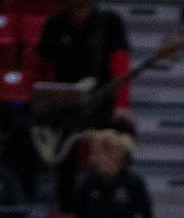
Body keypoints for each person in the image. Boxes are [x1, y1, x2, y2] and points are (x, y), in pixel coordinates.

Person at [37, 0, 133, 205]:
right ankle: (67, 210)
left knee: (119, 135)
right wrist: (44, 104)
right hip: (64, 106)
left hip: (101, 104)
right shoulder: (54, 25)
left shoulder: (110, 23)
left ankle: (114, 203)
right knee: (64, 165)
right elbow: (43, 68)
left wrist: (121, 104)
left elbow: (120, 65)